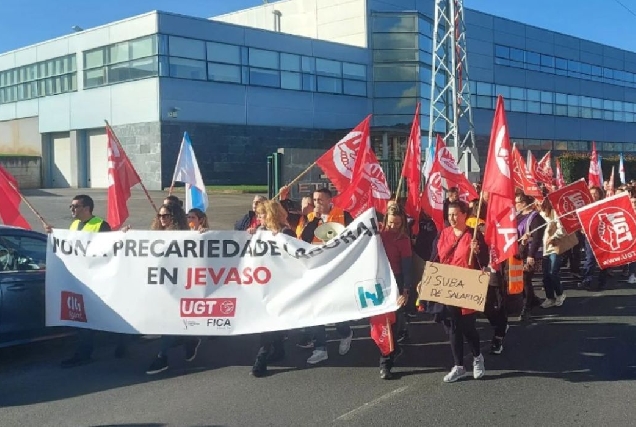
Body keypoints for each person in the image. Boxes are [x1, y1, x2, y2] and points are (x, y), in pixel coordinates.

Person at [45, 195, 128, 368]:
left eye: (75, 206)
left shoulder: (100, 225)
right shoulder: (75, 225)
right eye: (71, 206)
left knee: (105, 315)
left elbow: (110, 249)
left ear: (87, 208)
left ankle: (122, 342)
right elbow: (69, 247)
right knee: (83, 318)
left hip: (98, 279)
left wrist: (122, 236)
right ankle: (84, 353)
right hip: (81, 280)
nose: (72, 209)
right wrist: (54, 234)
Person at [296, 188, 354, 365]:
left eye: (320, 200)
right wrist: (314, 220)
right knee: (315, 310)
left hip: (336, 271)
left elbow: (355, 238)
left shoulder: (343, 215)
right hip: (316, 271)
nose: (317, 203)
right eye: (315, 200)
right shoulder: (310, 218)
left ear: (330, 200)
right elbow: (303, 239)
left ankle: (345, 333)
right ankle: (320, 348)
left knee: (336, 310)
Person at [434, 200, 489, 383]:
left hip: (467, 284)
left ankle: (477, 357)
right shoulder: (444, 233)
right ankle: (458, 366)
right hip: (448, 283)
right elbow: (436, 257)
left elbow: (484, 260)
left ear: (465, 215)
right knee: (453, 326)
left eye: (455, 214)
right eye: (449, 214)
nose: (452, 218)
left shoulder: (473, 235)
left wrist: (477, 251)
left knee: (467, 326)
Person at [146, 203, 202, 375]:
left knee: (169, 323)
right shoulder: (154, 235)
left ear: (174, 217)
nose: (162, 219)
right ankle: (190, 339)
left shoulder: (184, 235)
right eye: (160, 216)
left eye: (166, 216)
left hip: (179, 286)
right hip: (160, 284)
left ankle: (162, 356)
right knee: (168, 322)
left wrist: (202, 235)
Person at [248, 200, 296, 377]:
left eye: (262, 215)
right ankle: (279, 350)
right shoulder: (260, 232)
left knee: (268, 323)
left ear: (270, 215)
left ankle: (261, 359)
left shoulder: (286, 233)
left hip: (280, 285)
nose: (259, 218)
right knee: (270, 320)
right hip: (263, 284)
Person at [380, 205, 414, 343]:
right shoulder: (379, 234)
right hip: (380, 277)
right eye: (390, 223)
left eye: (397, 223)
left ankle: (397, 337)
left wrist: (406, 290)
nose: (393, 226)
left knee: (395, 310)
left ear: (403, 223)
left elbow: (407, 266)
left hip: (396, 278)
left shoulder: (403, 240)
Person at [516, 194, 546, 319]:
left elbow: (537, 238)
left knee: (525, 279)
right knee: (521, 278)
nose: (515, 205)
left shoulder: (535, 218)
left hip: (530, 254)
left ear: (524, 203)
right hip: (519, 252)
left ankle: (527, 307)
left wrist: (530, 255)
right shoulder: (517, 216)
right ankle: (532, 299)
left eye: (517, 202)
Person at [539, 198, 566, 308]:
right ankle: (549, 297)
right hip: (543, 249)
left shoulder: (554, 213)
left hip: (554, 247)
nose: (537, 204)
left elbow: (562, 228)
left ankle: (560, 294)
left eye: (540, 202)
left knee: (552, 272)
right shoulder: (538, 214)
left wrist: (554, 237)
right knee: (545, 275)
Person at [580, 186, 607, 291]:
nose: (594, 195)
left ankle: (602, 281)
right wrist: (582, 228)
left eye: (596, 193)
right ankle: (587, 280)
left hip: (603, 236)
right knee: (590, 259)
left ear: (600, 194)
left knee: (604, 260)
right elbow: (580, 221)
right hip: (590, 237)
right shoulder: (585, 207)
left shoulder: (604, 205)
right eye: (591, 193)